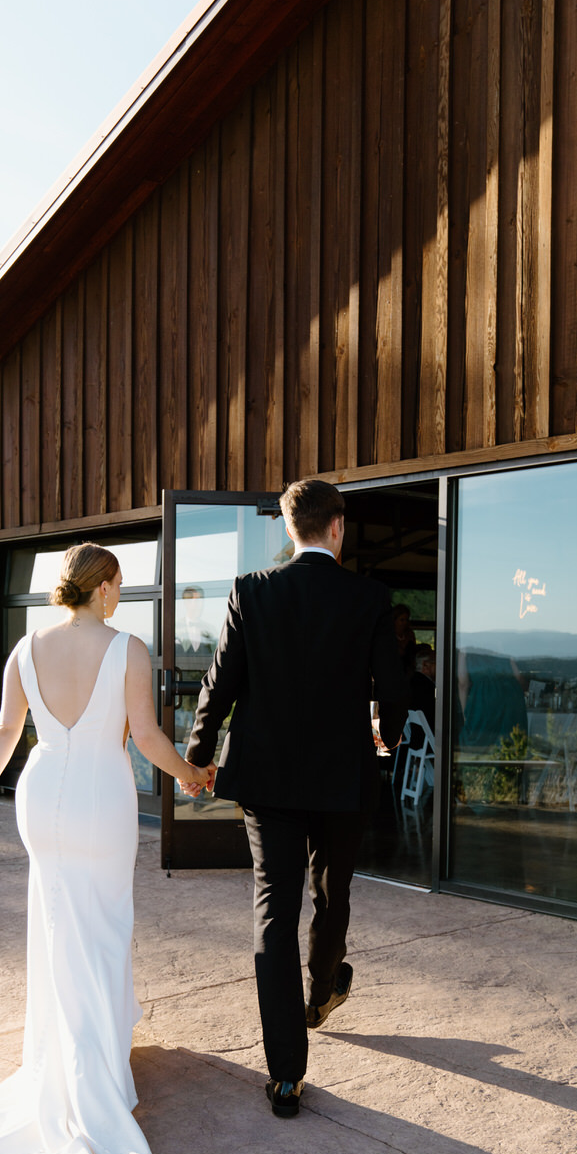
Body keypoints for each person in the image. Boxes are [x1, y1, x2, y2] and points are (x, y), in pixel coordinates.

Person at [0, 543, 212, 1154]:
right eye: (119, 586)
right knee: (101, 925)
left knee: (57, 927)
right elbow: (149, 737)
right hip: (102, 794)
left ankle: (67, 1059)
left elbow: (5, 730)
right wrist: (189, 774)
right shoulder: (128, 649)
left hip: (42, 796)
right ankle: (96, 1073)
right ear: (102, 588)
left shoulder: (28, 648)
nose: (120, 597)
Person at [182, 479, 407, 1118]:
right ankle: (321, 988)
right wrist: (386, 736)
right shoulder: (368, 597)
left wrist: (199, 756)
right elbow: (391, 689)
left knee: (274, 910)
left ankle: (286, 1074)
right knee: (332, 891)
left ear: (289, 530)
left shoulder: (251, 591)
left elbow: (219, 682)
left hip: (267, 779)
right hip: (342, 780)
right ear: (336, 527)